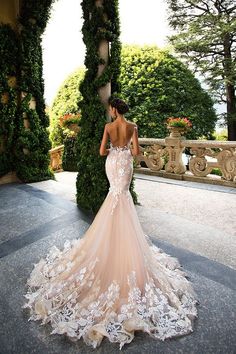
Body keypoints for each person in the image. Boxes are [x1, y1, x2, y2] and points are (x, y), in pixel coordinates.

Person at [22, 97, 199, 350]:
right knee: (122, 197)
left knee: (113, 197)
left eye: (110, 109)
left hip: (112, 163)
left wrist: (114, 150)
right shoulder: (133, 127)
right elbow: (136, 153)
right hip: (125, 163)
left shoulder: (108, 127)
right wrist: (125, 149)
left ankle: (110, 239)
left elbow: (101, 151)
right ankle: (123, 240)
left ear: (113, 110)